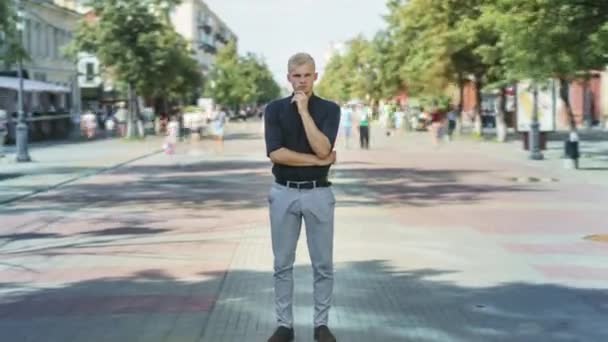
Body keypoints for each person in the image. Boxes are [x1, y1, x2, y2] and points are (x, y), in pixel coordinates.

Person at [264, 52, 340, 342]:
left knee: (323, 264)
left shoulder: (330, 110)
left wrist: (305, 112)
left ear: (315, 77)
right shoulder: (274, 110)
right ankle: (285, 325)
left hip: (318, 194)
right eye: (297, 76)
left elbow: (323, 147)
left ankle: (321, 324)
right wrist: (319, 162)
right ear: (288, 78)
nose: (302, 81)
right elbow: (276, 153)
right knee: (282, 264)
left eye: (307, 75)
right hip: (283, 192)